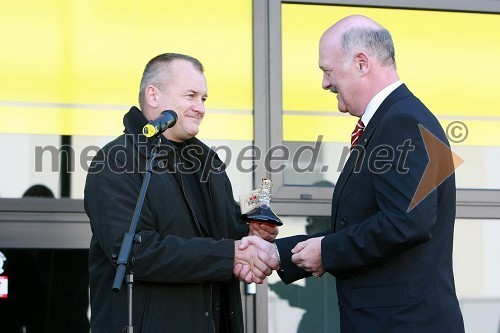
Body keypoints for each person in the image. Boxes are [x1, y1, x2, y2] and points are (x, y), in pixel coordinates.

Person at [239, 15, 465, 332]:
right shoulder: (396, 119)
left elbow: (407, 222)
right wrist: (280, 254)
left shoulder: (402, 123)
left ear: (361, 63)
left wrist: (326, 252)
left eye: (327, 71)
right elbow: (364, 225)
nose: (324, 83)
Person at [84, 53, 278, 333]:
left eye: (204, 99)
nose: (200, 108)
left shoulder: (208, 162)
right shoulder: (115, 160)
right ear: (153, 95)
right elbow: (137, 252)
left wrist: (251, 235)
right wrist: (231, 255)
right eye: (191, 96)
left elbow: (223, 237)